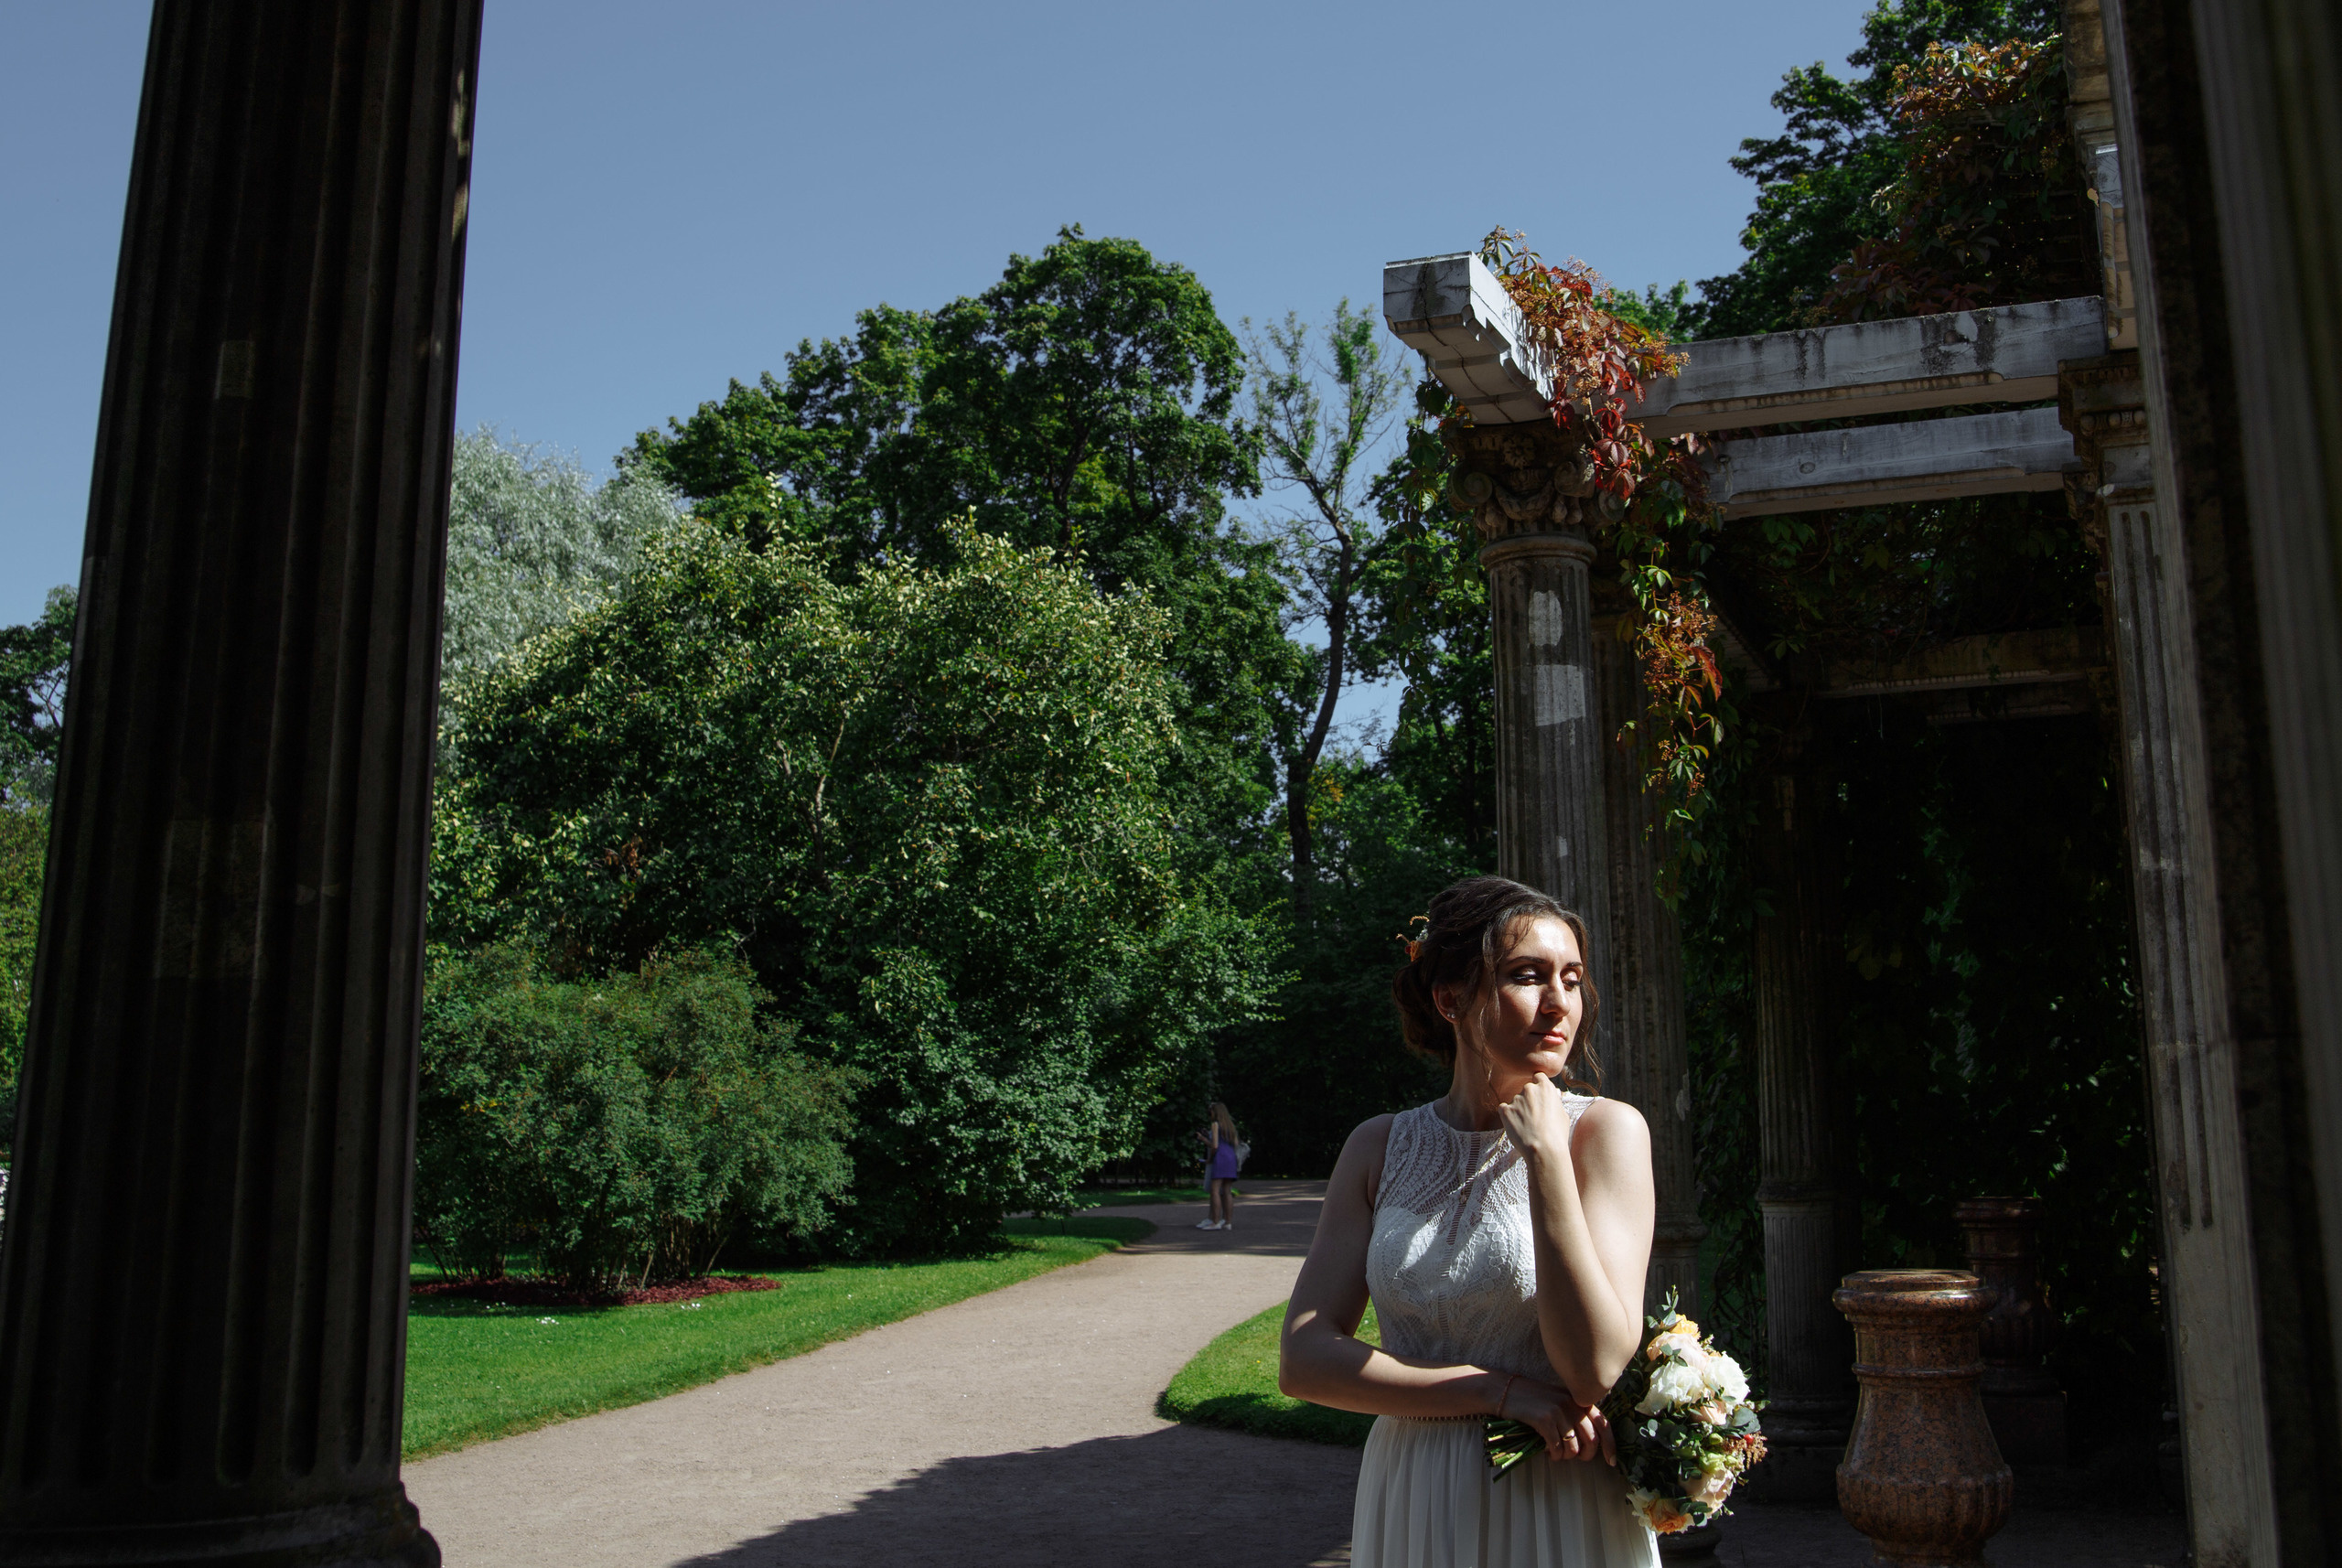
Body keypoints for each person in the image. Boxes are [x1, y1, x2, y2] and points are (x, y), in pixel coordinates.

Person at [1278, 875, 1659, 1566]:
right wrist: (1493, 1392)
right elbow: (1303, 1361)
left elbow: (1595, 1369)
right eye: (1526, 977)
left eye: (1571, 980)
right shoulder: (1376, 1147)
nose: (1559, 1004)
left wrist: (1545, 1159)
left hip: (1559, 1493)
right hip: (1415, 1488)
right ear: (1450, 999)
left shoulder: (1606, 1134)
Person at [1196, 1101, 1243, 1230]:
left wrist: (1206, 1144)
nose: (1209, 1115)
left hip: (1220, 1157)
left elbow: (1215, 1145)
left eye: (1210, 1112)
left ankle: (1215, 1221)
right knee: (1227, 1191)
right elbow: (1236, 1143)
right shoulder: (1230, 1126)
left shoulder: (1215, 1125)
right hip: (1231, 1157)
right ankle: (1228, 1222)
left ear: (1215, 1112)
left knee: (1215, 1190)